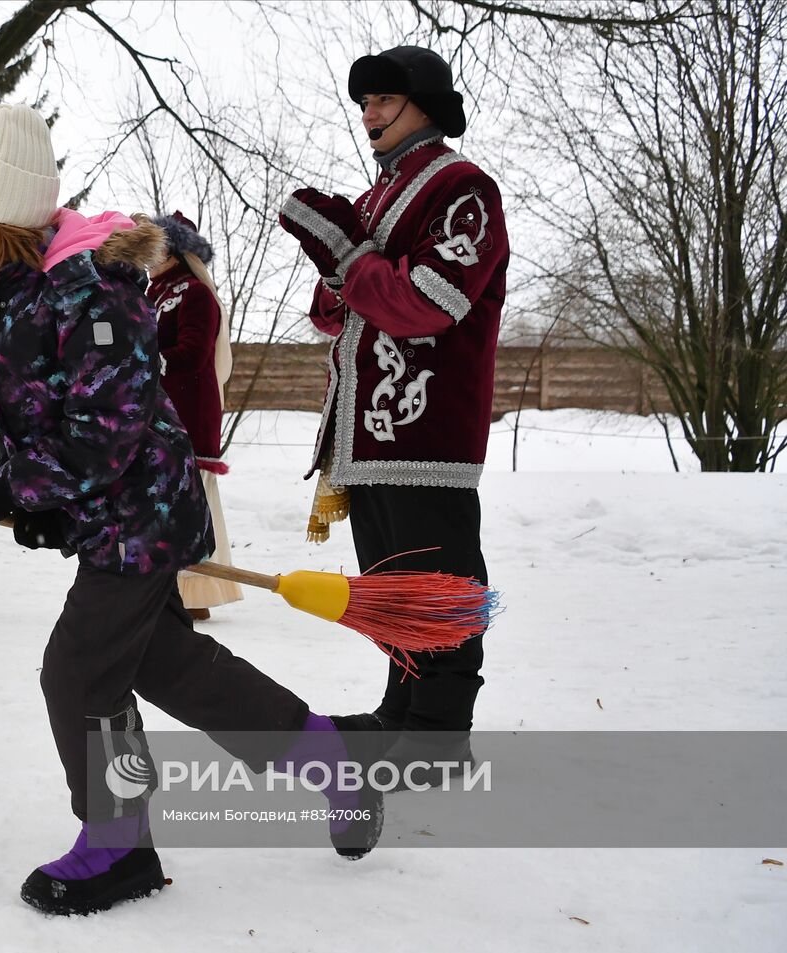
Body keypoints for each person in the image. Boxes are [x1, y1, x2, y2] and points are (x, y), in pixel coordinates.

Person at [0, 103, 382, 918]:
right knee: (164, 666)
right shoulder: (3, 290)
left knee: (78, 670)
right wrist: (37, 499)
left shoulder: (92, 289)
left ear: (1, 207)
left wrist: (21, 491)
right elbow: (38, 412)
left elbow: (109, 427)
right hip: (105, 507)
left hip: (142, 510)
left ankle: (120, 841)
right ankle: (331, 759)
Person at [278, 46, 506, 759]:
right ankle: (400, 711)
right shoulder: (379, 196)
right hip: (365, 430)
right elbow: (329, 309)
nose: (370, 115)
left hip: (425, 426)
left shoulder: (464, 188)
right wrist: (353, 267)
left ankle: (440, 735)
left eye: (384, 100)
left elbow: (429, 300)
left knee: (438, 580)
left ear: (426, 107)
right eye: (365, 103)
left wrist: (352, 262)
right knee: (389, 584)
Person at [146, 212, 243, 621]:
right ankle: (162, 589)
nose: (147, 256)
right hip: (156, 414)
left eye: (154, 247)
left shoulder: (196, 294)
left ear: (172, 250)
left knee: (192, 502)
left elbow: (193, 353)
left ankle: (197, 591)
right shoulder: (149, 295)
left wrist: (141, 361)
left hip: (187, 415)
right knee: (159, 501)